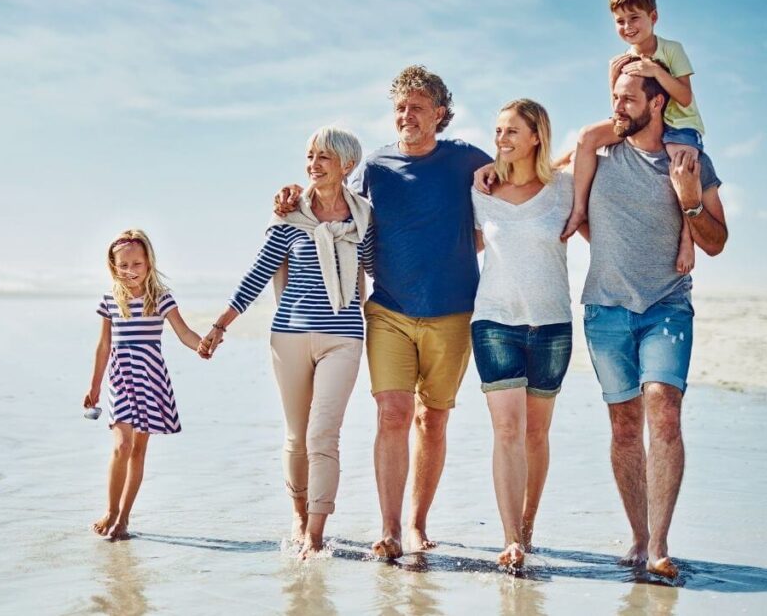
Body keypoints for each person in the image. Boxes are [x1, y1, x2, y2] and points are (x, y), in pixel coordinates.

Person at [275, 66, 491, 558]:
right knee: (393, 413)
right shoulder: (374, 166)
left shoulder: (467, 160)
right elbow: (326, 194)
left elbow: (508, 192)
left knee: (432, 420)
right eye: (399, 108)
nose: (405, 115)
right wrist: (288, 194)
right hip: (388, 308)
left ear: (439, 113)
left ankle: (417, 525)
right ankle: (390, 529)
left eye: (416, 107)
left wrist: (461, 246)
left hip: (454, 310)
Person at [200, 126, 373, 560]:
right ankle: (298, 514)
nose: (313, 165)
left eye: (324, 158)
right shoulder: (291, 215)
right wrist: (221, 324)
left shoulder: (364, 218)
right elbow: (257, 275)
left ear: (346, 165)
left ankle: (316, 532)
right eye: (310, 156)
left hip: (343, 338)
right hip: (290, 337)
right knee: (297, 437)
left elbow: (376, 270)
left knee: (323, 434)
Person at [581, 69, 727, 579]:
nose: (617, 107)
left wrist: (688, 199)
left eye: (627, 100)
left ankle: (660, 544)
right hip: (604, 309)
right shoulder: (598, 157)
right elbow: (537, 177)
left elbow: (716, 240)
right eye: (614, 98)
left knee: (663, 410)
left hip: (667, 306)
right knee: (624, 425)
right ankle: (639, 537)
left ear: (658, 102)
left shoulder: (691, 161)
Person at [470, 99, 573, 568]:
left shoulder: (566, 190)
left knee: (536, 433)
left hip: (552, 323)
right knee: (507, 428)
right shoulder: (481, 193)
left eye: (512, 131)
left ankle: (528, 528)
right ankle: (510, 539)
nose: (501, 139)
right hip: (494, 322)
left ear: (536, 136)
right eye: (497, 131)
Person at [560, 0, 709, 276]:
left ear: (653, 18)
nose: (627, 26)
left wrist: (654, 70)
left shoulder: (671, 50)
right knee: (586, 137)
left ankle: (686, 239)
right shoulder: (620, 60)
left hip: (679, 125)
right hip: (641, 122)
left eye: (634, 18)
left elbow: (685, 96)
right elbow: (618, 108)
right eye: (620, 21)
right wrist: (613, 78)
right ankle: (578, 210)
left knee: (679, 170)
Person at [85, 229, 204, 540]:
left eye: (136, 264)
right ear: (113, 267)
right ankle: (110, 510)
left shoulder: (161, 299)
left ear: (149, 263)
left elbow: (184, 332)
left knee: (137, 451)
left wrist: (203, 345)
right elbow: (103, 346)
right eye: (123, 265)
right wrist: (94, 387)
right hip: (121, 377)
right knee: (121, 446)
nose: (130, 271)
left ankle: (123, 519)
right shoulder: (110, 300)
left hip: (150, 377)